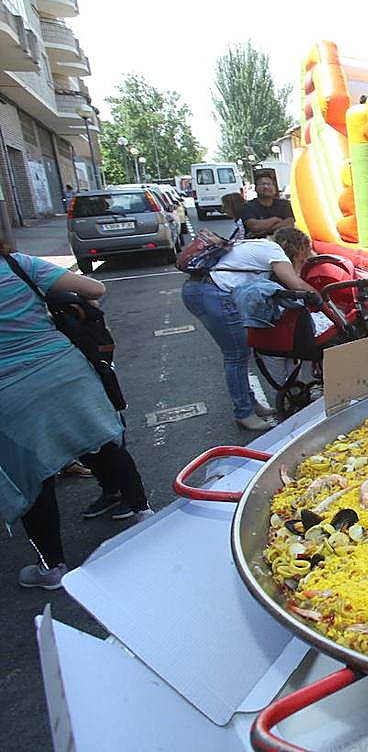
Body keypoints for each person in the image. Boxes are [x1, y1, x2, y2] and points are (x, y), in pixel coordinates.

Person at [1, 240, 152, 590]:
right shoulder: (18, 265)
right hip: (62, 369)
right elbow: (95, 288)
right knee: (103, 442)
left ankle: (52, 567)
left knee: (31, 478)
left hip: (8, 395)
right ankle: (144, 515)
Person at [182, 227, 317, 430]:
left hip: (200, 290)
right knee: (236, 355)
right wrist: (321, 297)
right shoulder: (273, 251)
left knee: (239, 352)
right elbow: (295, 283)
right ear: (300, 249)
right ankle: (244, 413)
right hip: (212, 294)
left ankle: (251, 404)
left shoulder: (257, 244)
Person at [240, 169, 295, 239]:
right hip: (257, 244)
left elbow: (289, 223)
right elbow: (255, 226)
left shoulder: (284, 204)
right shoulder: (247, 206)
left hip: (281, 242)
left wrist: (263, 231)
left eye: (269, 184)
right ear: (256, 188)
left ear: (275, 188)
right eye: (262, 184)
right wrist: (276, 219)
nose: (266, 187)